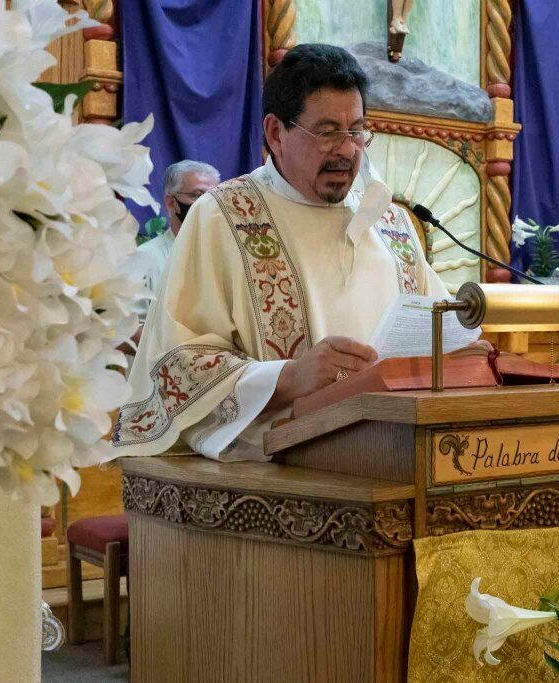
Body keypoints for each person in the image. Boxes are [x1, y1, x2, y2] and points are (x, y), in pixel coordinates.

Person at [111, 44, 449, 462]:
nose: (347, 150)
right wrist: (289, 378)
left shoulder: (391, 223)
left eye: (357, 130)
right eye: (327, 132)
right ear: (275, 133)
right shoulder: (224, 216)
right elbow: (179, 364)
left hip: (400, 456)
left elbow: (437, 329)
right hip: (281, 473)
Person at [133, 160, 221, 321]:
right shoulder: (143, 259)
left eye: (213, 196)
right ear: (170, 202)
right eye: (197, 195)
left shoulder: (227, 255)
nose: (207, 203)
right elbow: (131, 329)